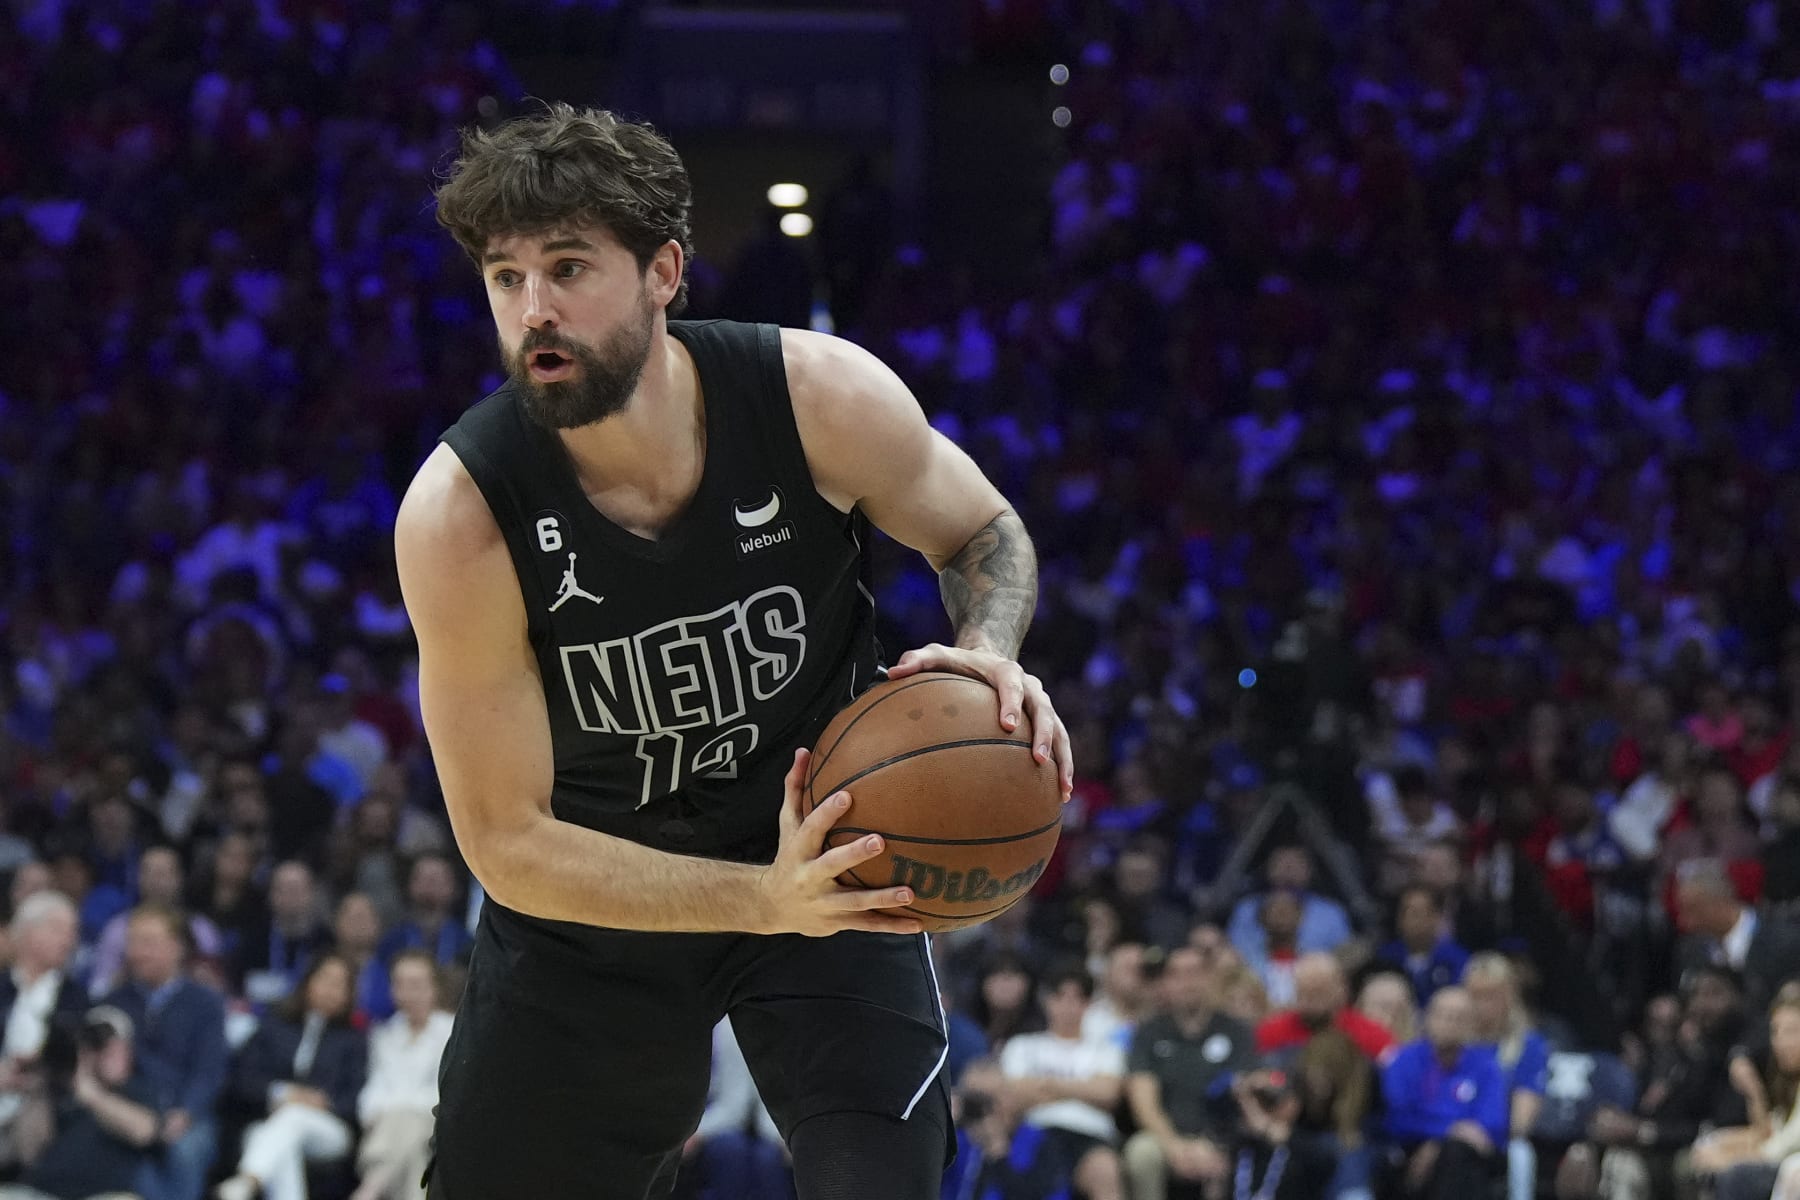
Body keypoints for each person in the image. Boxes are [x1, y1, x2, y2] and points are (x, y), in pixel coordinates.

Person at [395, 102, 1071, 1199]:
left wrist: (987, 645)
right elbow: (505, 842)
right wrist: (760, 895)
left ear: (665, 269)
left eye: (569, 267)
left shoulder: (817, 397)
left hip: (835, 851)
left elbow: (982, 529)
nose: (535, 310)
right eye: (506, 278)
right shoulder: (461, 514)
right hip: (596, 896)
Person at [101, 904, 229, 1200]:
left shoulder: (205, 1003)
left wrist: (185, 1112)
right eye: (132, 942)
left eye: (149, 942)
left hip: (184, 1111)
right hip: (125, 1108)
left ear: (177, 948)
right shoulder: (113, 1001)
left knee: (183, 1150)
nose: (137, 952)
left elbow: (210, 1071)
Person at [213, 954, 367, 1200]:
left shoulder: (356, 1041)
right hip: (270, 1121)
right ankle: (252, 1181)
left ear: (350, 994)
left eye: (340, 984)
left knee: (290, 1118)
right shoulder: (274, 1026)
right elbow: (242, 1079)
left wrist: (322, 1102)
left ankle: (247, 1180)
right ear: (307, 982)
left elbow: (358, 1096)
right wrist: (282, 1093)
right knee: (276, 1142)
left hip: (330, 1129)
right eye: (325, 979)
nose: (330, 990)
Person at [1123, 946, 1257, 1200]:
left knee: (1235, 1157)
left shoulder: (1237, 1032)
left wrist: (1214, 1144)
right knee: (1141, 1153)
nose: (1188, 983)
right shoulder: (1149, 1032)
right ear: (1166, 982)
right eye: (1178, 975)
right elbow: (1143, 1101)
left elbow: (1245, 1097)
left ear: (1210, 978)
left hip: (1222, 1139)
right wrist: (1174, 1146)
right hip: (1166, 1138)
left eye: (1195, 973)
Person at [990, 966, 1126, 1200]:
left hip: (1089, 1135)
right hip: (1035, 1131)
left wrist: (1046, 1086)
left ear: (1088, 1004)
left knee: (1106, 1171)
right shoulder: (1023, 1046)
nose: (1069, 1006)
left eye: (1078, 998)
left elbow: (1108, 1094)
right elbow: (1014, 1095)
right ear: (1047, 1001)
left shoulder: (1106, 1050)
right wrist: (1081, 1089)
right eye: (1060, 996)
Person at [0, 1005, 161, 1200]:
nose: (105, 1053)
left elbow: (145, 1131)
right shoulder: (62, 1087)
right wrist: (37, 1089)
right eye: (98, 1046)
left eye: (113, 1046)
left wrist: (92, 1095)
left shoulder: (137, 1090)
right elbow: (29, 1152)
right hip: (41, 1191)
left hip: (103, 1194)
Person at [1379, 987, 1509, 1200]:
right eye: (1442, 1015)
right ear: (1427, 1018)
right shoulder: (1404, 1060)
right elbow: (1397, 1118)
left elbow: (1492, 1124)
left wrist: (1441, 1142)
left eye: (1459, 1018)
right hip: (1411, 1147)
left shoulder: (1486, 1065)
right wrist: (1448, 1131)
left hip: (1468, 1153)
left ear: (1471, 1024)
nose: (1450, 1024)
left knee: (1458, 1154)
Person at [351, 951, 452, 1200]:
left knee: (411, 1124)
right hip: (393, 1128)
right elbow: (374, 1090)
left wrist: (401, 1109)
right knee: (415, 1155)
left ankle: (370, 1189)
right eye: (401, 984)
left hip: (437, 1122)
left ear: (434, 988)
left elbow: (442, 1093)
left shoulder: (451, 1030)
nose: (408, 993)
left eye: (416, 985)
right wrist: (384, 1111)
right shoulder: (384, 1034)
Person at [1462, 954, 1551, 1200]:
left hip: (1499, 1143)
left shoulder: (1528, 1046)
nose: (1480, 1005)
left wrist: (1481, 1131)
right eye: (1473, 996)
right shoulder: (1454, 1045)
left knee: (1520, 1153)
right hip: (1452, 1139)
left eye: (1489, 996)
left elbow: (1521, 1123)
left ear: (1509, 997)